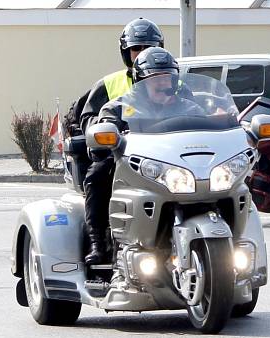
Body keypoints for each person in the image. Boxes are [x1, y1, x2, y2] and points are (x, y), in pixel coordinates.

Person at [83, 47, 201, 265]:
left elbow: (206, 131)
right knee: (97, 174)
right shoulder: (118, 107)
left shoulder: (189, 107)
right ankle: (97, 242)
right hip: (135, 167)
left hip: (176, 168)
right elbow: (102, 130)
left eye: (167, 78)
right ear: (140, 81)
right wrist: (108, 137)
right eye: (156, 78)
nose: (163, 84)